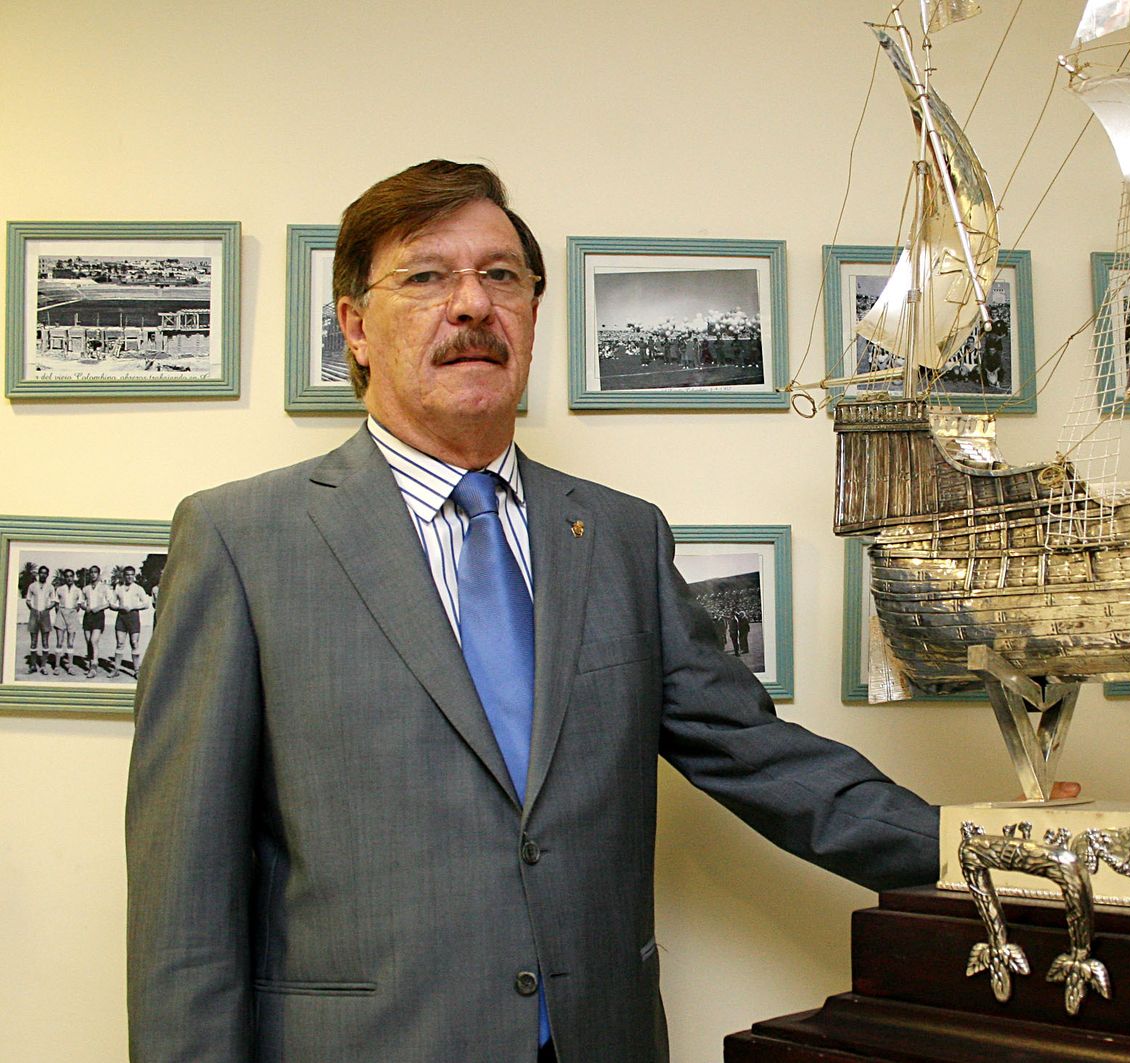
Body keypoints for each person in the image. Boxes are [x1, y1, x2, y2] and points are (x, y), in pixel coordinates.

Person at [125, 160, 939, 1063]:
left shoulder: (622, 537)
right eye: (428, 276)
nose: (472, 304)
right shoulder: (243, 540)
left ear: (534, 312)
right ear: (355, 325)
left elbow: (766, 761)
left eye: (501, 276)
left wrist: (996, 849)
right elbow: (183, 907)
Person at [110, 566, 153, 677]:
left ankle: (137, 670)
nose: (129, 577)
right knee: (120, 643)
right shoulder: (118, 588)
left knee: (134, 643)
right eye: (127, 575)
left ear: (134, 576)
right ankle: (116, 669)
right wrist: (120, 607)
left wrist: (133, 607)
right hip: (121, 617)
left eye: (131, 575)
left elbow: (146, 604)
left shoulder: (138, 588)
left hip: (133, 617)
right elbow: (111, 603)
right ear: (124, 576)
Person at [80, 565, 112, 676]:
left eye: (95, 572)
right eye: (91, 572)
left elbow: (110, 602)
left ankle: (94, 666)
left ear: (99, 574)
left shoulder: (104, 587)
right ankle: (90, 665)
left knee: (94, 641)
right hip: (88, 616)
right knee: (89, 642)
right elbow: (81, 603)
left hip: (98, 616)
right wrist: (85, 607)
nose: (93, 574)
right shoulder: (86, 588)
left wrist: (99, 607)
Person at [23, 565, 53, 674]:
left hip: (45, 614)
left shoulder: (50, 587)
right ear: (38, 574)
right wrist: (33, 610)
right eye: (41, 573)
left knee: (45, 641)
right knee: (33, 641)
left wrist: (46, 609)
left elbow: (53, 601)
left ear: (47, 575)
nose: (43, 575)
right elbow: (27, 600)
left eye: (45, 573)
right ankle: (32, 665)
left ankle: (43, 666)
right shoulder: (32, 586)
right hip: (34, 614)